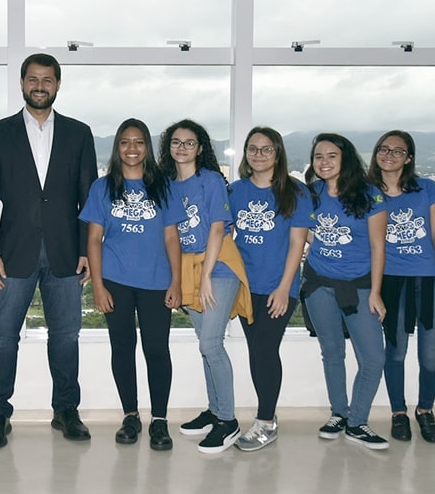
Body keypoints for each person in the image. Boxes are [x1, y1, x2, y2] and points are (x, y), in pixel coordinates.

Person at [0, 53, 98, 448]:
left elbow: (88, 197)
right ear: (22, 83)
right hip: (11, 253)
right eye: (33, 79)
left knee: (66, 337)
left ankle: (66, 411)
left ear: (58, 84)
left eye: (47, 79)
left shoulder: (80, 134)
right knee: (1, 337)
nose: (40, 86)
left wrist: (85, 248)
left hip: (66, 252)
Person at [80, 118, 185, 451]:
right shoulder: (102, 187)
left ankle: (159, 421)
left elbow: (172, 237)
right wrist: (97, 286)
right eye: (125, 142)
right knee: (122, 348)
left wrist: (177, 282)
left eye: (139, 142)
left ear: (147, 148)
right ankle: (129, 415)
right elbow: (93, 240)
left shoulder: (163, 187)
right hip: (116, 280)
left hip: (156, 282)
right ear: (117, 148)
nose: (132, 148)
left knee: (156, 350)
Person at [158, 119, 252, 454]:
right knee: (205, 344)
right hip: (188, 267)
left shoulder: (210, 180)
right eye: (176, 142)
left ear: (201, 148)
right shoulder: (167, 184)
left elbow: (216, 229)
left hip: (219, 266)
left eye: (189, 142)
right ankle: (215, 410)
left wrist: (207, 276)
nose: (182, 148)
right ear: (169, 147)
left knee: (211, 344)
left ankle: (228, 420)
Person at [367, 130, 435, 443]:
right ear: (376, 153)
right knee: (395, 353)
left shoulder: (426, 189)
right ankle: (398, 412)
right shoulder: (366, 193)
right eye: (384, 148)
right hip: (390, 282)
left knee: (431, 356)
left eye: (398, 150)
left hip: (430, 280)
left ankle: (425, 411)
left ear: (409, 158)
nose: (389, 154)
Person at [300, 132, 389, 450]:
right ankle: (339, 413)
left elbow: (379, 246)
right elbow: (305, 232)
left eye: (331, 156)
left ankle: (357, 421)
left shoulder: (369, 194)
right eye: (318, 157)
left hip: (360, 287)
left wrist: (376, 292)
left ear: (345, 158)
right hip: (318, 285)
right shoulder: (311, 193)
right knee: (332, 353)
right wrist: (317, 243)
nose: (323, 162)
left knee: (373, 358)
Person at [228, 127, 313, 451]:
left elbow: (297, 244)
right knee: (257, 351)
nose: (258, 154)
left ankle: (266, 422)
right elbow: (225, 235)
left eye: (266, 149)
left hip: (280, 286)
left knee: (265, 349)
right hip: (246, 287)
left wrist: (284, 287)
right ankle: (266, 418)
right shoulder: (235, 192)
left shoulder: (296, 193)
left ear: (278, 153)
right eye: (252, 148)